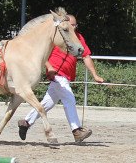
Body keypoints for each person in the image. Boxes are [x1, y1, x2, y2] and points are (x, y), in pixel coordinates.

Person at [18, 14, 104, 143]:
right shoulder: (57, 37)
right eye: (72, 25)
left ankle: (26, 122)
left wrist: (95, 74)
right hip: (58, 74)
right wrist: (49, 67)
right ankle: (77, 131)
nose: (74, 28)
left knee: (47, 103)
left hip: (65, 76)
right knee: (69, 99)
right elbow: (42, 54)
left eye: (75, 25)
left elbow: (86, 56)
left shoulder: (78, 38)